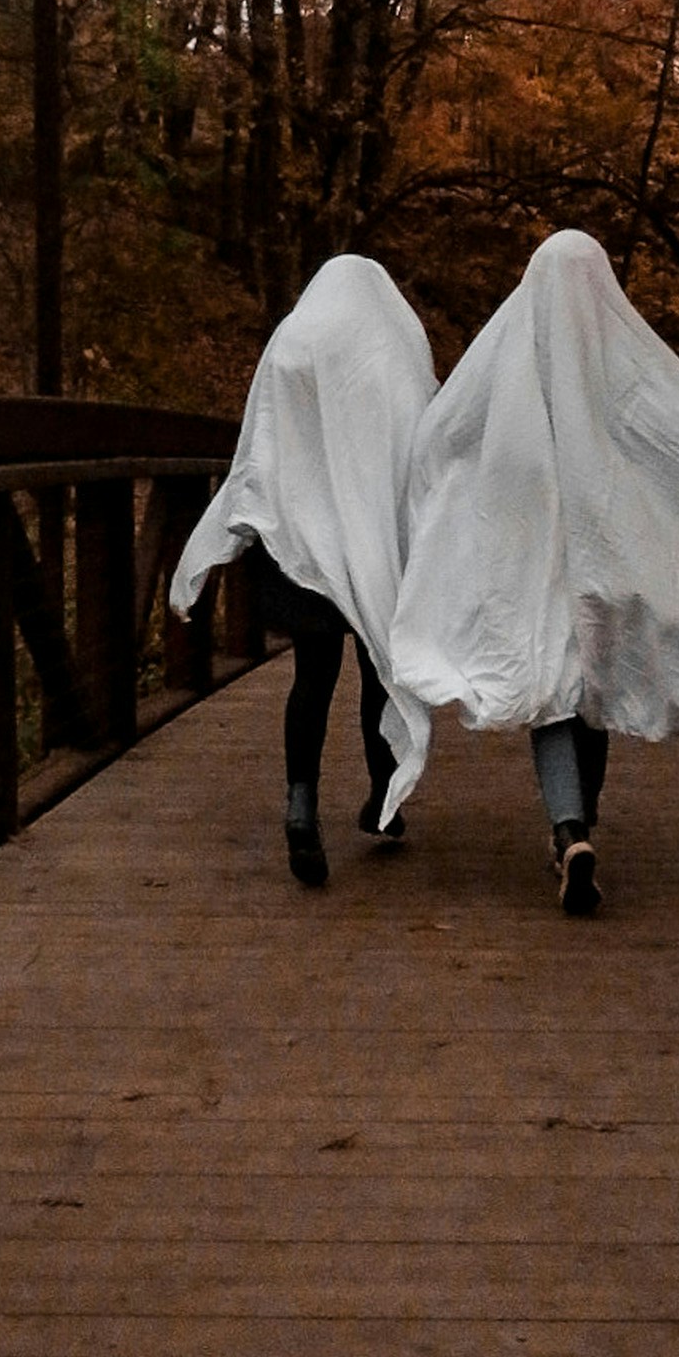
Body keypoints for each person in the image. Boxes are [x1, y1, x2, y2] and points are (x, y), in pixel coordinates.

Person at [388, 227, 679, 916]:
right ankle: (582, 823)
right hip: (607, 562)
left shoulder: (501, 358)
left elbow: (442, 438)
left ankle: (567, 826)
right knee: (595, 688)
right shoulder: (628, 364)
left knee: (550, 688)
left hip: (524, 565)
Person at [169, 255, 437, 887]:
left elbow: (260, 445)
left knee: (312, 678)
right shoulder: (394, 351)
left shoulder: (291, 343)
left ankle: (300, 804)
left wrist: (238, 528)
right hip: (372, 543)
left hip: (302, 552)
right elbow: (422, 443)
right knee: (378, 667)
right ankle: (380, 799)